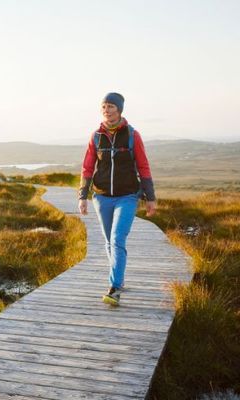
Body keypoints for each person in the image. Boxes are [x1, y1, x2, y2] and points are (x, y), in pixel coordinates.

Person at [77, 92, 157, 306]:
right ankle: (117, 279)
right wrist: (83, 196)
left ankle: (115, 287)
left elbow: (143, 166)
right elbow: (87, 167)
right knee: (108, 242)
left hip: (128, 196)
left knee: (117, 239)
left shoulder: (132, 135)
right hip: (102, 197)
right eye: (104, 106)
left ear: (119, 109)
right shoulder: (96, 136)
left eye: (111, 106)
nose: (107, 110)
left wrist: (150, 197)